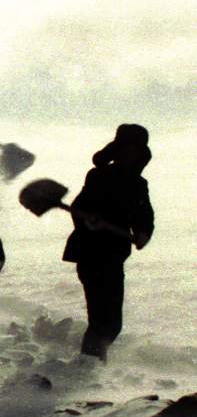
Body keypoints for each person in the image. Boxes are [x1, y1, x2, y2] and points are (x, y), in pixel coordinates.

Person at [62, 124, 154, 362]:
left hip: (114, 257)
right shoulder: (99, 176)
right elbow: (79, 207)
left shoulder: (139, 184)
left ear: (141, 154)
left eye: (136, 150)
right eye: (126, 148)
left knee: (113, 325)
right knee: (101, 322)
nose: (130, 154)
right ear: (117, 150)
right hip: (91, 254)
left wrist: (143, 233)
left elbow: (144, 215)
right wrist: (90, 221)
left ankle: (91, 363)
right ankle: (88, 367)